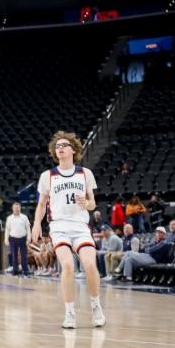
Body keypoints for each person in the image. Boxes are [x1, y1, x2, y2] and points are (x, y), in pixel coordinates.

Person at [31, 131, 104, 329]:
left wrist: (87, 202)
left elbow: (93, 204)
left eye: (64, 145)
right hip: (59, 226)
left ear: (73, 149)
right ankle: (70, 313)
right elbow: (41, 205)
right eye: (57, 146)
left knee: (90, 265)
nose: (60, 148)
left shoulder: (85, 173)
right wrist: (36, 224)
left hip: (80, 226)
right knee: (68, 266)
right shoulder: (47, 176)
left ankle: (96, 306)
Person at [5, 201, 31, 276]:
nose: (16, 209)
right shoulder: (9, 218)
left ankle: (25, 270)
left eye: (18, 208)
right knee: (14, 255)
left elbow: (28, 229)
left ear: (20, 208)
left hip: (23, 238)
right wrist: (6, 239)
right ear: (12, 209)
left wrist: (29, 238)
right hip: (13, 239)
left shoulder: (24, 217)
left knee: (24, 255)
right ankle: (15, 271)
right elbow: (7, 229)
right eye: (15, 208)